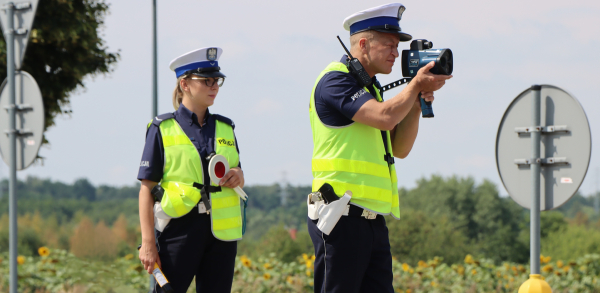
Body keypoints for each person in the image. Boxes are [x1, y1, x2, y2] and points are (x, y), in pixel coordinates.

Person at [307, 3, 452, 293]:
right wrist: (414, 87)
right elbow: (385, 118)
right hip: (341, 218)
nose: (395, 53)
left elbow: (400, 148)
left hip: (371, 221)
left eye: (397, 46)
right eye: (389, 45)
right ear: (363, 44)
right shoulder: (335, 80)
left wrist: (414, 102)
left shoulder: (370, 88)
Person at [137, 47, 245, 293]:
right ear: (184, 84)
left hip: (221, 235)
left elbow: (240, 173)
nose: (214, 86)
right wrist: (147, 243)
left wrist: (238, 175)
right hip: (178, 231)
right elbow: (146, 189)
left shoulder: (226, 127)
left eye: (217, 80)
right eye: (207, 80)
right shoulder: (161, 128)